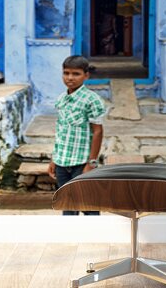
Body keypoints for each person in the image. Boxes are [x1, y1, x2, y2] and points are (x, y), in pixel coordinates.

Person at [48, 55, 106, 215]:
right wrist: (54, 159)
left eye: (76, 74)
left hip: (81, 163)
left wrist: (91, 163)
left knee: (88, 205)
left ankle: (94, 238)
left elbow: (97, 131)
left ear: (86, 75)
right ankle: (71, 238)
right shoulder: (62, 99)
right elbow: (61, 131)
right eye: (66, 73)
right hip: (62, 161)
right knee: (67, 203)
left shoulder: (92, 100)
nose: (70, 78)